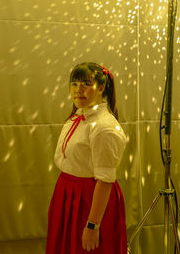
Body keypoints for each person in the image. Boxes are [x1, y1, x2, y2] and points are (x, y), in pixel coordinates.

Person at [46, 62, 127, 254]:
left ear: (101, 87)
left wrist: (92, 226)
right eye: (74, 84)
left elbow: (105, 181)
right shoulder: (79, 116)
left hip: (89, 201)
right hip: (68, 194)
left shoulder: (104, 128)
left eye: (86, 84)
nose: (78, 90)